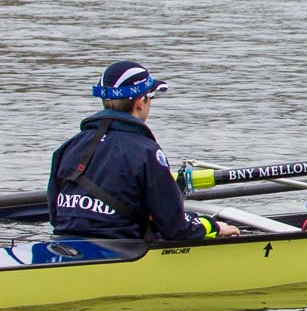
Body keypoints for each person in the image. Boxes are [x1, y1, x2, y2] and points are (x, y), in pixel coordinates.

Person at [47, 61, 238, 242]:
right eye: (151, 97)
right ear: (141, 102)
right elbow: (176, 228)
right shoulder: (146, 152)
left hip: (66, 246)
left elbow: (56, 217)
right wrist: (210, 225)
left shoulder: (69, 146)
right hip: (122, 252)